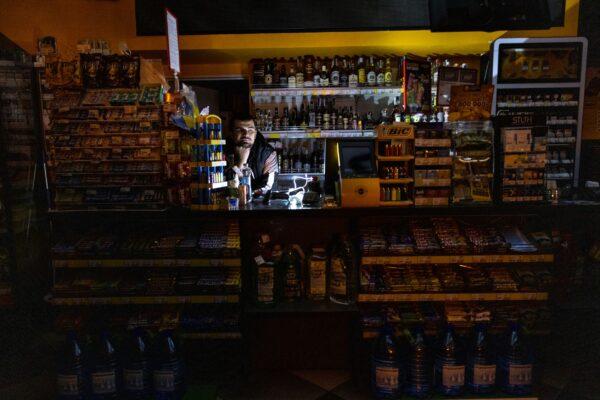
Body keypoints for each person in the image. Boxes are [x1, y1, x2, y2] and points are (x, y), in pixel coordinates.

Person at [227, 114, 278, 196]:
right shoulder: (222, 151)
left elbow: (268, 187)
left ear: (255, 134)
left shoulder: (267, 153)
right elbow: (226, 188)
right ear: (231, 134)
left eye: (250, 130)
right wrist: (240, 163)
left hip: (259, 206)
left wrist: (245, 194)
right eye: (240, 130)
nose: (246, 134)